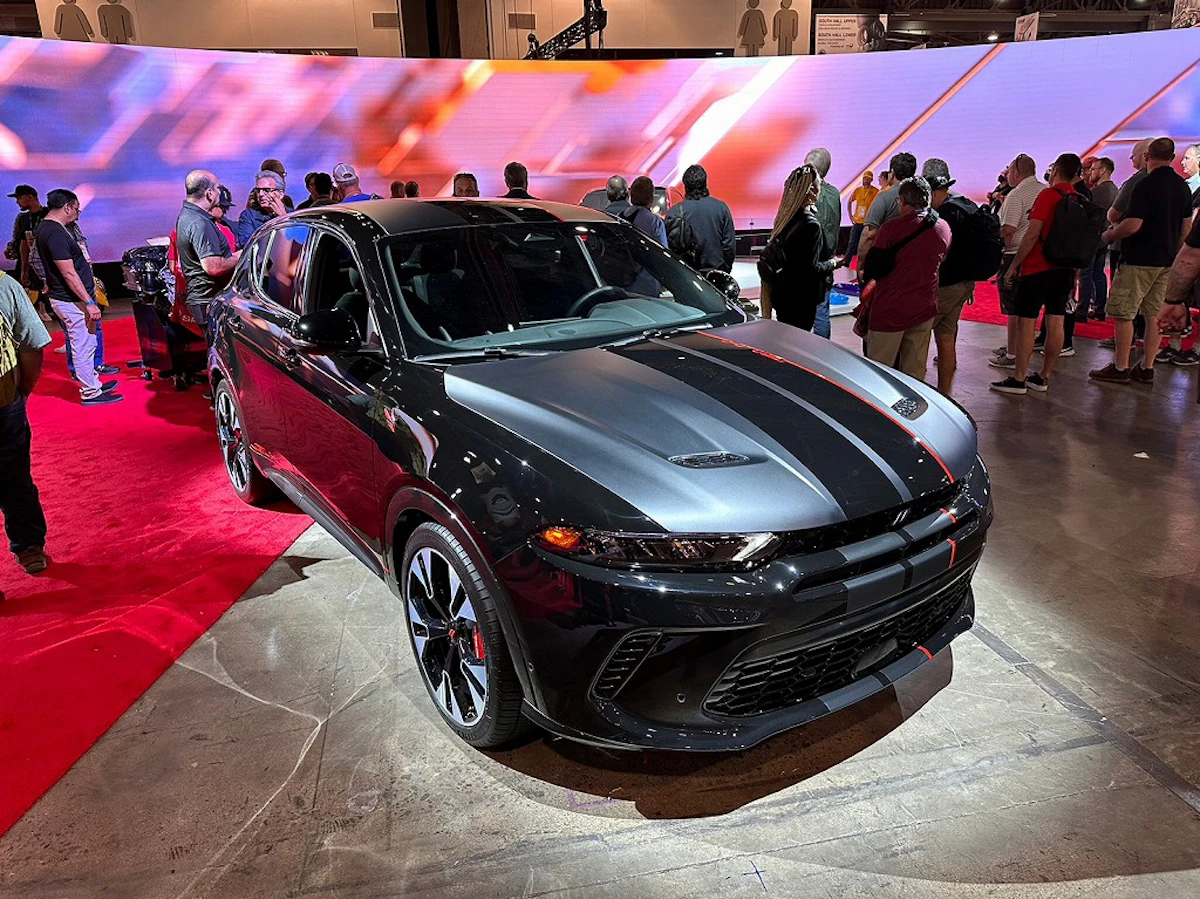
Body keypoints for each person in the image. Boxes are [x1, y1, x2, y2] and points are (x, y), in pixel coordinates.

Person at [1090, 138, 1193, 386]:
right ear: (1172, 157)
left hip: (1139, 258)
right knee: (1153, 314)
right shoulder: (1182, 186)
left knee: (1124, 312)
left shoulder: (1144, 184)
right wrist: (1174, 253)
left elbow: (1133, 224)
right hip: (1166, 261)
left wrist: (1109, 235)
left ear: (1147, 156)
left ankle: (1121, 366)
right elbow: (1186, 227)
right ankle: (1147, 367)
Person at [992, 154, 1084, 396]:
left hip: (1037, 268)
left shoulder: (1049, 195)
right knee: (1056, 322)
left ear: (1056, 171)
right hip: (1064, 269)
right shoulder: (1078, 199)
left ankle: (1019, 378)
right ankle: (1044, 376)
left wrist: (1015, 265)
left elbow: (1032, 233)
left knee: (1026, 322)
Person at [35, 189, 122, 406]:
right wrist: (89, 302)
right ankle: (90, 392)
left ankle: (93, 382)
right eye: (76, 208)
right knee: (82, 343)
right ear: (67, 207)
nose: (78, 213)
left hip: (70, 298)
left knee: (88, 340)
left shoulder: (49, 228)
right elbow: (68, 272)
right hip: (71, 300)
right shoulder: (54, 232)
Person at [863, 177, 950, 381]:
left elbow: (874, 267)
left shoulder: (891, 228)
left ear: (902, 201)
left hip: (891, 308)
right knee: (915, 373)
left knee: (879, 373)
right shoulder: (943, 227)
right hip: (924, 306)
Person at [0, 267, 51, 577]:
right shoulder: (4, 285)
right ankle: (29, 546)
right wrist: (23, 391)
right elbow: (32, 346)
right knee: (14, 476)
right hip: (3, 399)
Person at [758, 165, 842, 331]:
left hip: (782, 295)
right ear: (811, 191)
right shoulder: (811, 225)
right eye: (819, 185)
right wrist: (832, 264)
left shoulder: (784, 218)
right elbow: (810, 269)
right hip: (801, 300)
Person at [923, 158, 979, 395]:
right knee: (946, 337)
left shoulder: (942, 214)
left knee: (918, 337)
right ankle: (945, 393)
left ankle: (916, 394)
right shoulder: (967, 205)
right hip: (965, 284)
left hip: (944, 285)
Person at [990, 155, 1043, 371]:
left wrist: (998, 248)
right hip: (1039, 256)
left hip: (1015, 255)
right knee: (1028, 311)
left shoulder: (1016, 194)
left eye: (1009, 171)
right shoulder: (1044, 191)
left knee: (1013, 309)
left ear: (1017, 173)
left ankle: (1012, 354)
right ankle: (1018, 350)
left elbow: (1008, 230)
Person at [176, 170, 239, 331]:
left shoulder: (189, 215)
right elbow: (213, 267)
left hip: (205, 301)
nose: (219, 192)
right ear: (209, 193)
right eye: (217, 188)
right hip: (208, 302)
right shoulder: (199, 222)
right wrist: (240, 256)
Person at [665, 164, 736, 273]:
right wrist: (725, 270)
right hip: (715, 273)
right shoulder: (722, 208)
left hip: (686, 274)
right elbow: (729, 246)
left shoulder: (674, 212)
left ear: (685, 185)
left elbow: (670, 248)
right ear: (705, 183)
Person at [857, 151, 918, 274]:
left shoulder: (884, 197)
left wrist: (861, 267)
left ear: (893, 173)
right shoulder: (922, 197)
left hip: (887, 266)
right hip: (914, 264)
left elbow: (869, 235)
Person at [804, 147, 842, 338]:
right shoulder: (834, 194)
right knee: (821, 315)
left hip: (804, 266)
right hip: (825, 264)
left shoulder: (803, 194)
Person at [1078, 157, 1118, 322]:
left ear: (1102, 171)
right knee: (1098, 274)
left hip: (1092, 238)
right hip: (1104, 238)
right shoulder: (1115, 190)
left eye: (1093, 169)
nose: (1090, 173)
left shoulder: (1096, 192)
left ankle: (1082, 310)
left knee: (1086, 274)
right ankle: (1099, 308)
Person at [234, 170, 287, 247]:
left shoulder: (294, 215)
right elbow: (246, 244)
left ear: (280, 194)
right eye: (258, 190)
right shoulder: (249, 216)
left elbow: (298, 242)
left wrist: (284, 218)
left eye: (266, 190)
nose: (261, 194)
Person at [621, 175, 668, 246]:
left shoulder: (620, 216)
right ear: (651, 197)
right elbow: (663, 248)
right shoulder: (655, 222)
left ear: (631, 195)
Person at [845, 171, 878, 271]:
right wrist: (851, 216)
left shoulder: (875, 191)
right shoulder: (858, 190)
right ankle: (846, 262)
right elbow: (849, 202)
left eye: (867, 178)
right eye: (864, 178)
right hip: (857, 221)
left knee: (865, 245)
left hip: (867, 223)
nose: (865, 180)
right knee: (852, 243)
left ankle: (864, 265)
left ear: (871, 180)